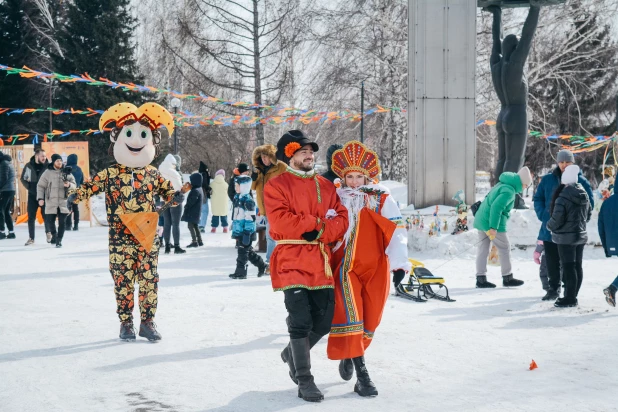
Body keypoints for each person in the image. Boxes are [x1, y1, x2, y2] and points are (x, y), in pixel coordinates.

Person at [71, 102, 181, 341]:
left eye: (143, 135)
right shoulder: (110, 175)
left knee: (149, 279)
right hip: (120, 238)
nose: (136, 140)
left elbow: (169, 195)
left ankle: (148, 322)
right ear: (116, 137)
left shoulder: (153, 174)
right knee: (123, 281)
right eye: (129, 134)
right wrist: (74, 195)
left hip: (147, 235)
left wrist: (176, 196)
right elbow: (89, 187)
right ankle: (126, 323)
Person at [264, 130, 348, 402]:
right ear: (290, 156)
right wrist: (314, 224)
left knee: (324, 319)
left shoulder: (326, 186)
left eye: (311, 151)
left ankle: (291, 352)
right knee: (300, 322)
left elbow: (342, 221)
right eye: (303, 152)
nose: (310, 155)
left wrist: (320, 229)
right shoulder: (276, 185)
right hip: (291, 260)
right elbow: (279, 222)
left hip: (320, 261)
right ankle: (304, 380)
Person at [327, 140, 411, 397]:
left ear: (367, 175)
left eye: (358, 176)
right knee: (351, 313)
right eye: (349, 176)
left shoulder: (381, 197)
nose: (353, 182)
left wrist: (399, 264)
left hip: (376, 265)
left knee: (370, 320)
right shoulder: (336, 197)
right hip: (345, 266)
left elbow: (396, 230)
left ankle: (352, 354)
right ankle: (363, 375)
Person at [487, 4, 540, 209]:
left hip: (503, 113)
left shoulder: (496, 64)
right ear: (515, 49)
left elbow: (495, 40)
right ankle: (512, 197)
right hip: (517, 114)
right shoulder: (515, 65)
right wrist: (535, 10)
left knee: (503, 159)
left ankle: (498, 193)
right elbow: (527, 37)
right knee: (515, 161)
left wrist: (497, 14)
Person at [533, 149, 593, 301]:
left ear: (573, 163)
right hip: (550, 228)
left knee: (571, 263)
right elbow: (538, 198)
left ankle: (570, 291)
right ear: (557, 162)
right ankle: (553, 289)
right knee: (552, 261)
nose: (564, 165)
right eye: (562, 162)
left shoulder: (582, 181)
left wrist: (577, 221)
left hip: (570, 231)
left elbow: (589, 204)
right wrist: (543, 215)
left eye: (568, 162)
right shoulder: (548, 180)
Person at [474, 167, 532, 288]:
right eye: (526, 185)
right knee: (505, 248)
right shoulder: (509, 191)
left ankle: (480, 278)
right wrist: (493, 227)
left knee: (483, 249)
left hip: (482, 219)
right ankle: (507, 277)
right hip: (492, 222)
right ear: (521, 182)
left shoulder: (503, 184)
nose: (525, 188)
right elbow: (496, 208)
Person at [547, 165, 591, 308]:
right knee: (577, 266)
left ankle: (570, 298)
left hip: (566, 238)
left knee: (568, 266)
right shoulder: (583, 192)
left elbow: (557, 218)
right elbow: (588, 215)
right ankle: (573, 295)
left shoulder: (563, 196)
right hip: (580, 235)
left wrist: (549, 226)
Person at [251, 144, 287, 272]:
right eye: (262, 157)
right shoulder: (260, 169)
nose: (264, 160)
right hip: (265, 208)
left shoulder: (281, 167)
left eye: (266, 157)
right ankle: (273, 262)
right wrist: (253, 179)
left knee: (272, 235)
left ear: (272, 156)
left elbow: (290, 183)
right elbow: (254, 188)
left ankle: (270, 262)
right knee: (271, 235)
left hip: (277, 207)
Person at [230, 175, 266, 279]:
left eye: (237, 186)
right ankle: (262, 265)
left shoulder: (248, 201)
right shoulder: (237, 198)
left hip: (246, 232)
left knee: (242, 252)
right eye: (235, 185)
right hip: (239, 230)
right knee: (247, 252)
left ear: (244, 187)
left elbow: (250, 219)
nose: (235, 188)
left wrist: (247, 232)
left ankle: (241, 272)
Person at [37, 154, 76, 248]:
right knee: (50, 222)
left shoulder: (66, 172)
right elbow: (40, 186)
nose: (59, 162)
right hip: (51, 201)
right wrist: (40, 198)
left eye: (60, 161)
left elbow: (74, 185)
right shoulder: (47, 172)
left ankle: (59, 240)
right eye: (57, 161)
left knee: (62, 222)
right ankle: (54, 235)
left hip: (63, 201)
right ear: (53, 162)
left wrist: (69, 185)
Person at [20, 148, 52, 245]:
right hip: (33, 195)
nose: (44, 158)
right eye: (42, 156)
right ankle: (31, 238)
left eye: (45, 156)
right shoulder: (29, 166)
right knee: (31, 217)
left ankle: (48, 233)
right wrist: (29, 187)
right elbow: (23, 178)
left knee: (46, 215)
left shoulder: (49, 166)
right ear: (36, 156)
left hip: (44, 195)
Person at [158, 154, 185, 254]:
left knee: (166, 224)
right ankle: (177, 247)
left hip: (163, 200)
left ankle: (167, 247)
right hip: (174, 200)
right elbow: (179, 188)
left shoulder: (159, 171)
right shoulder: (174, 173)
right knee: (176, 224)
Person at [599, 191, 618, 307]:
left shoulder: (608, 202)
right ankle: (612, 288)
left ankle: (613, 288)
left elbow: (600, 225)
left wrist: (607, 246)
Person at [182, 172, 204, 248]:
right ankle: (200, 240)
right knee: (195, 225)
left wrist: (187, 206)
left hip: (192, 211)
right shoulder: (199, 189)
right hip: (196, 212)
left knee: (190, 226)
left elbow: (192, 201)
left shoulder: (195, 191)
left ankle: (194, 241)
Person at [64, 154, 84, 231]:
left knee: (68, 207)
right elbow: (82, 181)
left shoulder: (66, 168)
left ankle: (68, 225)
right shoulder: (79, 169)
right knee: (75, 208)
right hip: (77, 191)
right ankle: (76, 225)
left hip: (68, 191)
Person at [0, 152, 16, 239]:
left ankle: (1, 232)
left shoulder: (3, 164)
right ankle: (11, 232)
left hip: (6, 190)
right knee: (6, 211)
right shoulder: (7, 162)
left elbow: (3, 178)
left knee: (0, 210)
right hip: (10, 190)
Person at [198, 161, 211, 233]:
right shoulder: (204, 174)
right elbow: (205, 184)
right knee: (205, 210)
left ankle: (198, 224)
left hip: (198, 193)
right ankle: (201, 226)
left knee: (200, 210)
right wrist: (209, 189)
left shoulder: (198, 174)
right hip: (203, 194)